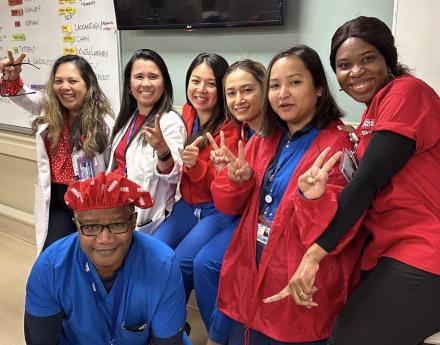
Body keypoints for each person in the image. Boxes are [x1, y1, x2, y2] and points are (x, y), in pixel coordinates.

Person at [276, 16, 440, 345]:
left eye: (367, 59)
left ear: (388, 59)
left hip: (426, 249)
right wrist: (313, 196)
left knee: (347, 338)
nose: (356, 72)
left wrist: (313, 255)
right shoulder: (368, 117)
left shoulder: (407, 93)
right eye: (344, 64)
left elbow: (366, 183)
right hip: (387, 247)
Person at [212, 45, 366, 344]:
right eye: (274, 85)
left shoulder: (337, 146)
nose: (283, 93)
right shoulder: (264, 139)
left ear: (319, 88)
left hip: (300, 278)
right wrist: (236, 182)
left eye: (295, 82)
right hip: (252, 268)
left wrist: (314, 200)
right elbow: (230, 207)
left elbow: (341, 230)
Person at [24, 172, 187, 345]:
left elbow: (167, 342)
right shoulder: (50, 268)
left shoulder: (163, 265)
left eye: (117, 224)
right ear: (77, 226)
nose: (105, 239)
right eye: (91, 226)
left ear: (133, 222)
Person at [0, 50, 114, 253]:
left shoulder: (104, 123)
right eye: (59, 81)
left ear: (88, 85)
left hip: (89, 200)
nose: (65, 87)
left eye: (73, 80)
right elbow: (23, 97)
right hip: (56, 198)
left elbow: (113, 169)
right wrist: (14, 77)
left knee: (90, 256)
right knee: (53, 254)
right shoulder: (49, 109)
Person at [153, 53, 240, 303]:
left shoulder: (231, 128)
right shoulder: (187, 114)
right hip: (187, 206)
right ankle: (161, 320)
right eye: (195, 81)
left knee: (181, 263)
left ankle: (171, 328)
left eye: (211, 84)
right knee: (156, 253)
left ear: (222, 88)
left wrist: (197, 166)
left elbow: (225, 183)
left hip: (216, 210)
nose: (201, 90)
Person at [192, 59, 266, 344]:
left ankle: (224, 335)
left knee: (210, 263)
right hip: (239, 216)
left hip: (260, 224)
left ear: (264, 89)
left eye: (246, 90)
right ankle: (218, 332)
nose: (238, 100)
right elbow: (228, 202)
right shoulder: (243, 131)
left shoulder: (275, 132)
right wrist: (226, 176)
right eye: (231, 93)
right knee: (201, 263)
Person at [107, 49, 186, 234]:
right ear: (129, 83)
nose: (146, 83)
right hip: (114, 207)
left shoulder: (170, 121)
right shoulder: (128, 118)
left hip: (143, 215)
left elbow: (174, 175)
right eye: (139, 76)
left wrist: (162, 150)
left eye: (153, 77)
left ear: (164, 83)